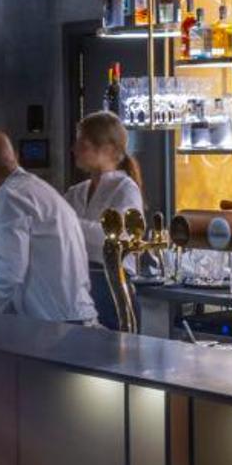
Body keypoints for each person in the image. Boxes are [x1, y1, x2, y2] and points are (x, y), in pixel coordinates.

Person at [0, 130, 96, 323]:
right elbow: (1, 261)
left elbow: (10, 270)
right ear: (15, 157)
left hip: (56, 324)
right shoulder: (36, 190)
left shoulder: (10, 196)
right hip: (74, 317)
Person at [65, 111, 145, 325]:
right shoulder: (76, 192)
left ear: (108, 149)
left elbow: (114, 238)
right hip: (78, 287)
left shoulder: (125, 188)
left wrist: (67, 223)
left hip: (112, 289)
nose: (74, 149)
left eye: (83, 144)